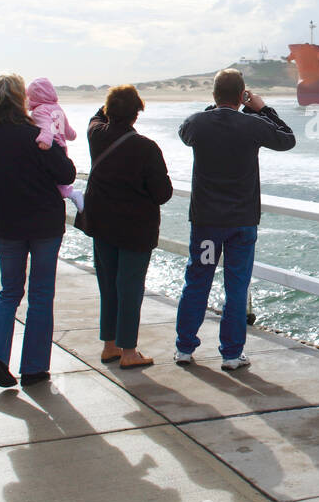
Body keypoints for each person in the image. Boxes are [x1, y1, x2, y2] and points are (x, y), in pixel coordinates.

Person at [0, 73, 76, 388]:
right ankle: (35, 367)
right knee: (41, 294)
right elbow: (66, 171)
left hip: (5, 224)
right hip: (44, 223)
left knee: (9, 291)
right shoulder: (35, 134)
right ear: (20, 99)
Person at [173, 69, 294, 370]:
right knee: (237, 287)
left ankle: (185, 348)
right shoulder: (251, 125)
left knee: (197, 281)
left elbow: (186, 132)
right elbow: (287, 139)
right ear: (242, 96)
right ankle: (230, 354)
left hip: (207, 224)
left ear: (213, 97)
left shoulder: (197, 124)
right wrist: (263, 109)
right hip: (241, 223)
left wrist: (215, 109)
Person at [77, 85, 172, 369]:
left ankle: (109, 345)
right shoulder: (145, 147)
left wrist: (108, 105)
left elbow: (96, 117)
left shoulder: (96, 135)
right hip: (134, 229)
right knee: (130, 288)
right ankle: (129, 351)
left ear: (108, 111)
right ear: (136, 114)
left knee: (108, 285)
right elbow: (162, 193)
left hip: (102, 224)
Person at [26, 77, 84, 211]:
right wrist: (72, 135)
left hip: (52, 146)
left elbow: (46, 127)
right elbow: (66, 128)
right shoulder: (57, 108)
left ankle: (72, 194)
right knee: (58, 177)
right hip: (62, 146)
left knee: (52, 180)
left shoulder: (39, 111)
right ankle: (72, 193)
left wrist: (45, 141)